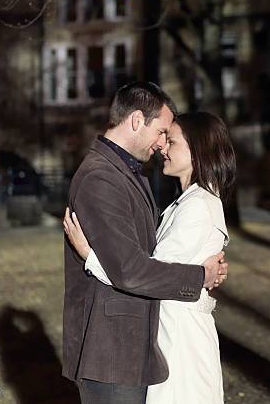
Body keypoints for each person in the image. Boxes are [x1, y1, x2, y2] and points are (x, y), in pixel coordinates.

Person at [62, 83, 228, 404]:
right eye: (162, 131)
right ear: (137, 120)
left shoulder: (130, 174)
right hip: (112, 352)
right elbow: (131, 270)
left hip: (141, 348)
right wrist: (200, 277)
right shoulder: (102, 177)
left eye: (170, 138)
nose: (162, 143)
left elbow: (147, 260)